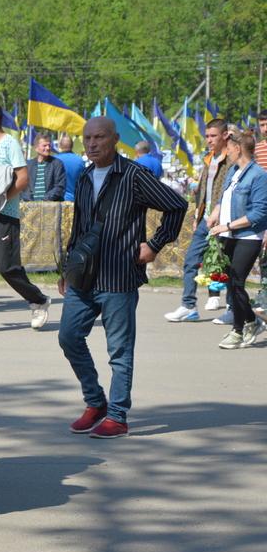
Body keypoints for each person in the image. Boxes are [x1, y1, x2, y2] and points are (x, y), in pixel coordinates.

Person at [58, 117, 186, 439]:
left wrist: (154, 245)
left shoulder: (134, 175)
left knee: (119, 351)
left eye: (99, 137)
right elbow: (80, 228)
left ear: (114, 139)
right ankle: (95, 402)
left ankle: (117, 415)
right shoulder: (85, 176)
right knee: (69, 337)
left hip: (118, 277)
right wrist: (67, 269)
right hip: (84, 278)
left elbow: (177, 205)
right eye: (87, 138)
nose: (92, 143)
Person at [0, 101, 51, 330]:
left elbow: (23, 178)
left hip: (5, 215)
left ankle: (38, 299)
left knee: (6, 266)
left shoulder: (10, 144)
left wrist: (1, 201)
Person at [164, 118, 231, 322]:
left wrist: (220, 214)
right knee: (191, 260)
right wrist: (197, 214)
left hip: (226, 219)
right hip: (204, 219)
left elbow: (229, 191)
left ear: (225, 136)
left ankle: (233, 307)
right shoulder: (208, 159)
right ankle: (189, 305)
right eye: (207, 136)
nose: (209, 140)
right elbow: (202, 190)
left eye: (213, 136)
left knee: (227, 265)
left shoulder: (231, 160)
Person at [206, 130, 267, 348]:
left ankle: (239, 329)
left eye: (229, 148)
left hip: (248, 236)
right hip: (227, 234)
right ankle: (249, 321)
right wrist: (215, 214)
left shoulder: (259, 176)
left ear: (238, 148)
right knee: (230, 282)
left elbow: (259, 213)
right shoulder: (233, 171)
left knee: (237, 281)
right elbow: (224, 198)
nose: (227, 151)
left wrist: (229, 225)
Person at [22, 133, 66, 201]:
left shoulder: (57, 164)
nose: (48, 148)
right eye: (44, 145)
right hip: (31, 208)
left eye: (49, 145)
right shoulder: (29, 165)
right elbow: (24, 187)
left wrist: (44, 200)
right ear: (36, 148)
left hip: (50, 207)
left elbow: (59, 187)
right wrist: (29, 200)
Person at [55, 134, 85, 202]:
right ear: (72, 146)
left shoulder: (54, 160)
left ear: (60, 145)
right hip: (74, 200)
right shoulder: (80, 161)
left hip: (57, 200)